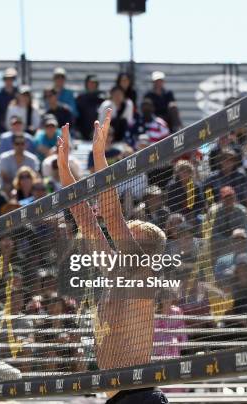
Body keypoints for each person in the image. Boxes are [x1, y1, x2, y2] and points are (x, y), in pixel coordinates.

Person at [57, 111, 169, 403]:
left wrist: (98, 155)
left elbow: (110, 216)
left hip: (141, 395)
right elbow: (85, 218)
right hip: (116, 396)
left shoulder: (144, 271)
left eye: (130, 236)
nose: (120, 241)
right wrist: (64, 167)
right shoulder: (114, 270)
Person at [75, 74, 105, 140]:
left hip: (98, 130)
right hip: (82, 131)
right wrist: (78, 130)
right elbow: (77, 116)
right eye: (90, 83)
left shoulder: (102, 98)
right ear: (86, 84)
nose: (92, 84)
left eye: (94, 83)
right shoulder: (80, 98)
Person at [0, 67, 18, 134]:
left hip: (17, 126)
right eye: (6, 79)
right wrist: (2, 122)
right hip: (2, 128)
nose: (9, 81)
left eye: (11, 79)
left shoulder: (19, 94)